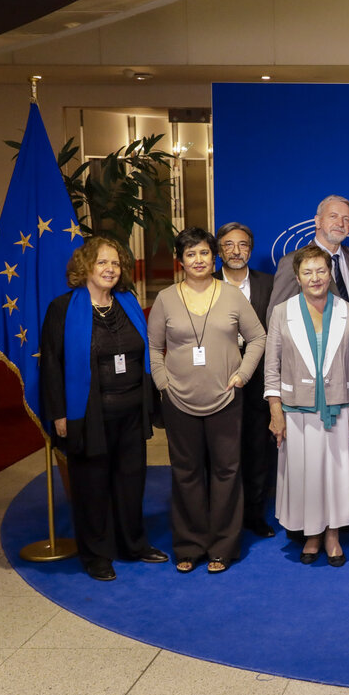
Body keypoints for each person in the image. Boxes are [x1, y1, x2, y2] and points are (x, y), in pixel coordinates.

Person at [39, 237, 167, 582]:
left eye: (115, 263)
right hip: (88, 414)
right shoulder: (62, 309)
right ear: (85, 268)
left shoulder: (127, 302)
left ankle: (133, 544)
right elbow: (51, 365)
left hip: (130, 412)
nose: (110, 269)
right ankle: (96, 554)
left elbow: (144, 353)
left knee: (130, 482)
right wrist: (59, 415)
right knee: (91, 486)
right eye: (102, 263)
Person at [148, 227, 265, 574]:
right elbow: (154, 347)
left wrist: (242, 375)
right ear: (180, 260)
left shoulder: (231, 296)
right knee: (186, 473)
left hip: (226, 398)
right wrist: (162, 382)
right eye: (190, 254)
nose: (198, 260)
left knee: (227, 471)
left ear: (213, 257)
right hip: (179, 399)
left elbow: (258, 337)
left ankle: (223, 547)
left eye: (203, 253)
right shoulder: (167, 298)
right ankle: (189, 545)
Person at [264, 245, 349, 566]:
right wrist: (275, 413)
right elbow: (272, 369)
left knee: (336, 474)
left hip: (340, 409)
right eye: (307, 272)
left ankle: (333, 535)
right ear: (297, 277)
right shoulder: (282, 312)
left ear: (330, 273)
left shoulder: (347, 311)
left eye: (321, 271)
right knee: (305, 474)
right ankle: (311, 535)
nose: (315, 278)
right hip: (296, 412)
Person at [215, 222, 277, 539]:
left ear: (250, 249)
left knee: (257, 450)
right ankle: (226, 517)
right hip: (218, 381)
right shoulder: (206, 285)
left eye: (243, 245)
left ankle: (254, 514)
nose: (236, 251)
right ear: (218, 250)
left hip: (259, 380)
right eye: (228, 245)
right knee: (223, 452)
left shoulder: (269, 283)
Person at [270, 194, 349, 320]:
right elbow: (277, 318)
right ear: (317, 221)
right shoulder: (292, 261)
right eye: (333, 216)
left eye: (346, 219)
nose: (340, 223)